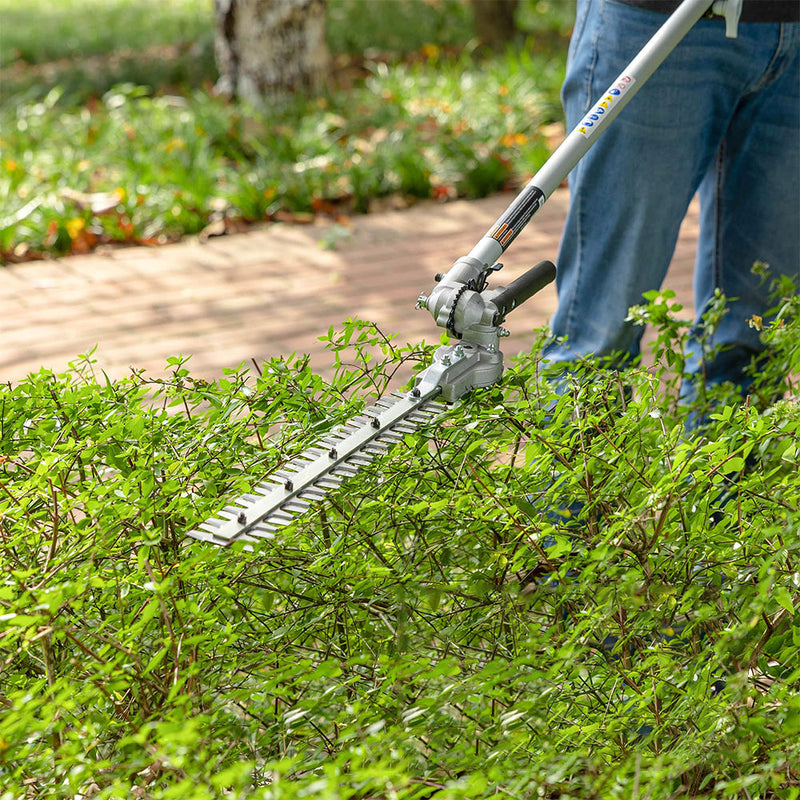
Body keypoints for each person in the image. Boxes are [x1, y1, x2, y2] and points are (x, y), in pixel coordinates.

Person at [542, 0, 800, 420]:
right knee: (600, 339)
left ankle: (725, 485)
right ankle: (579, 486)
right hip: (654, 17)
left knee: (753, 337)